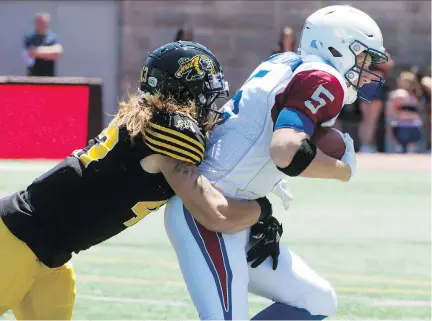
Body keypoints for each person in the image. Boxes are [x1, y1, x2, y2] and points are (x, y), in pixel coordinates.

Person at [0, 41, 273, 320]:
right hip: (16, 243)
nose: (209, 104)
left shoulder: (149, 118)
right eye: (205, 93)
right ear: (184, 89)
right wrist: (262, 209)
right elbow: (215, 214)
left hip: (47, 254)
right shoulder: (170, 135)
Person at [164, 5, 388, 320]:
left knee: (316, 300)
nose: (366, 69)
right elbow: (285, 150)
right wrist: (343, 170)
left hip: (239, 210)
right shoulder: (325, 77)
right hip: (207, 210)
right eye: (363, 57)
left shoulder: (282, 62)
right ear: (337, 47)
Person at [23, 12, 63, 77]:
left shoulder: (53, 37)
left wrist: (38, 51)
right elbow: (32, 53)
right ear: (35, 23)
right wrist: (50, 52)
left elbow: (58, 52)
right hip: (33, 76)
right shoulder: (30, 37)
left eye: (45, 22)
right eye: (40, 22)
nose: (43, 24)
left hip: (49, 76)